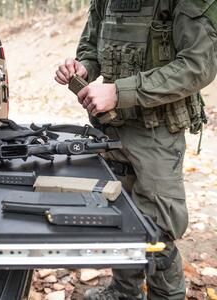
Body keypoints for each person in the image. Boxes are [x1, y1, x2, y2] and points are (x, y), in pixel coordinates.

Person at [55, 1, 217, 299]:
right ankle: (124, 291)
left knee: (157, 231)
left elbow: (198, 66)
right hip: (110, 127)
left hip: (157, 132)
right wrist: (82, 68)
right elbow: (91, 48)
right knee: (119, 215)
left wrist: (119, 92)